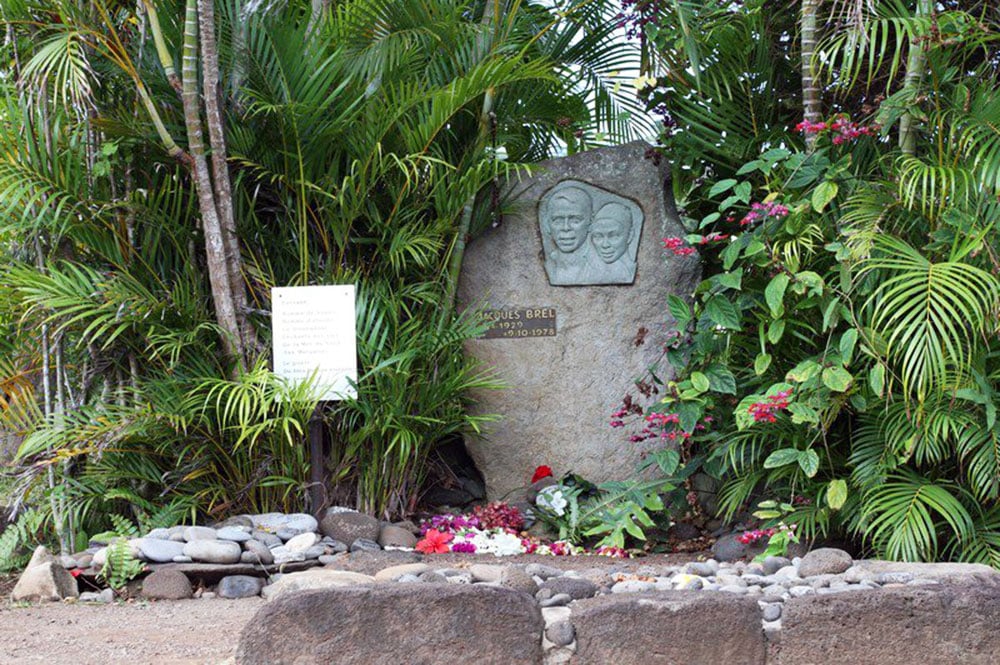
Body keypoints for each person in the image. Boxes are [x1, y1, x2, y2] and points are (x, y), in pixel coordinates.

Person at [540, 186, 594, 284]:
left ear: (590, 222)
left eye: (575, 220)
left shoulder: (608, 268)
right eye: (558, 220)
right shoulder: (548, 263)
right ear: (547, 224)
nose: (566, 228)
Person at [587, 202, 637, 283]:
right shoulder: (588, 273)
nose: (605, 245)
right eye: (598, 236)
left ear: (630, 235)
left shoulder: (631, 271)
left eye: (613, 236)